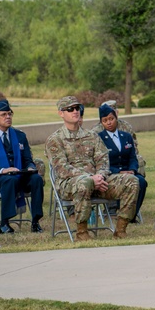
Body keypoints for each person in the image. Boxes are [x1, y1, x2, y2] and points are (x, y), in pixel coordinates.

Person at [44, 96, 139, 241]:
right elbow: (62, 168)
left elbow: (103, 160)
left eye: (77, 108)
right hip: (70, 184)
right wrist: (90, 178)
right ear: (61, 113)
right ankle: (82, 232)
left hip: (98, 182)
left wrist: (100, 176)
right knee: (84, 182)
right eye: (70, 109)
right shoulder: (55, 139)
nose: (75, 111)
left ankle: (120, 230)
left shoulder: (92, 136)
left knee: (131, 181)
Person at [0, 99, 45, 234]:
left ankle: (36, 221)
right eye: (4, 114)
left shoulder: (19, 135)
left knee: (36, 179)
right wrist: (3, 170)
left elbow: (27, 159)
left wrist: (30, 167)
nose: (8, 117)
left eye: (10, 114)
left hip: (18, 174)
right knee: (9, 179)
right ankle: (4, 223)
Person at [96, 103, 148, 219]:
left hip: (129, 172)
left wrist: (132, 170)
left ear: (116, 118)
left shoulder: (126, 136)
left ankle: (131, 215)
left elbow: (132, 157)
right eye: (105, 120)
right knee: (127, 183)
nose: (109, 123)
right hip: (111, 173)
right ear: (101, 122)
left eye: (111, 119)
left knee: (142, 182)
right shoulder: (98, 138)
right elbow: (101, 162)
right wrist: (119, 172)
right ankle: (119, 212)